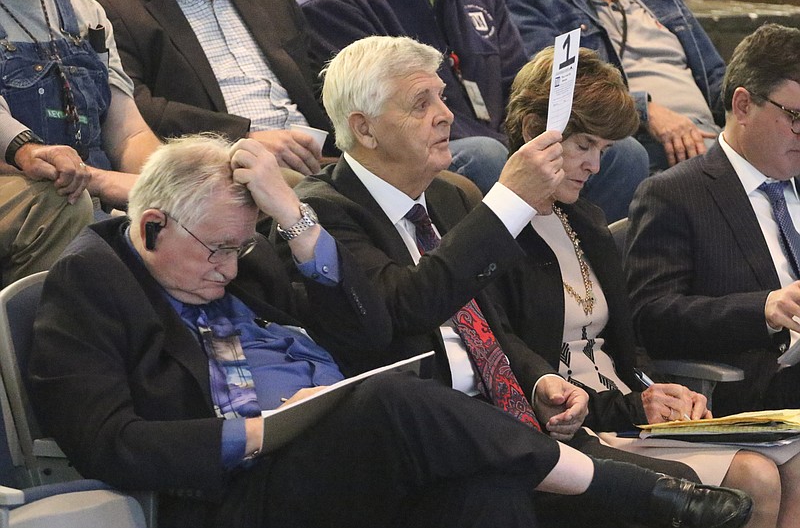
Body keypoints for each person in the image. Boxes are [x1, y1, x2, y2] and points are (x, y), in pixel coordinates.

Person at [29, 134, 751, 528]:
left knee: (486, 494)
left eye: (239, 247)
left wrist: (292, 215)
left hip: (331, 457)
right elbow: (109, 440)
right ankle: (620, 490)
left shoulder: (245, 264)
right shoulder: (91, 282)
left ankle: (604, 488)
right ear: (151, 225)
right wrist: (252, 433)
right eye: (214, 248)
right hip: (235, 490)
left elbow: (363, 321)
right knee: (392, 400)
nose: (226, 266)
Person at [498, 45, 800, 528]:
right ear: (537, 132)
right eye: (583, 146)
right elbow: (525, 369)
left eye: (602, 150)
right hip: (581, 428)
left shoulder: (586, 222)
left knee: (794, 464)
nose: (595, 167)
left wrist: (658, 388)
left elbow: (629, 343)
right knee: (757, 477)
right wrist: (636, 400)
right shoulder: (497, 232)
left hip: (626, 411)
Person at [296, 0, 647, 218]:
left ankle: (586, 277)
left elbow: (518, 88)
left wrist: (556, 138)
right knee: (486, 155)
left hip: (496, 140)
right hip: (425, 152)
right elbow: (370, 116)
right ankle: (516, 285)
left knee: (623, 153)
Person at [625, 23, 800, 420]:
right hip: (755, 383)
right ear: (743, 106)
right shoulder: (674, 194)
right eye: (796, 117)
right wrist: (764, 309)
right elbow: (651, 317)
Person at [84, 0, 333, 176]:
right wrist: (240, 137)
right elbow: (136, 107)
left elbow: (311, 76)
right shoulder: (106, 1)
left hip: (319, 155)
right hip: (226, 170)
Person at [0, 0, 160, 286]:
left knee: (199, 191)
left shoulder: (81, 5)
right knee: (59, 202)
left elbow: (127, 133)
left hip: (89, 187)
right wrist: (28, 150)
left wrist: (172, 182)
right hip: (41, 191)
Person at [503, 0, 726, 172]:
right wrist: (644, 110)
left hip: (707, 129)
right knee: (717, 165)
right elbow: (561, 89)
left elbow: (715, 74)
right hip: (633, 135)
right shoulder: (524, 1)